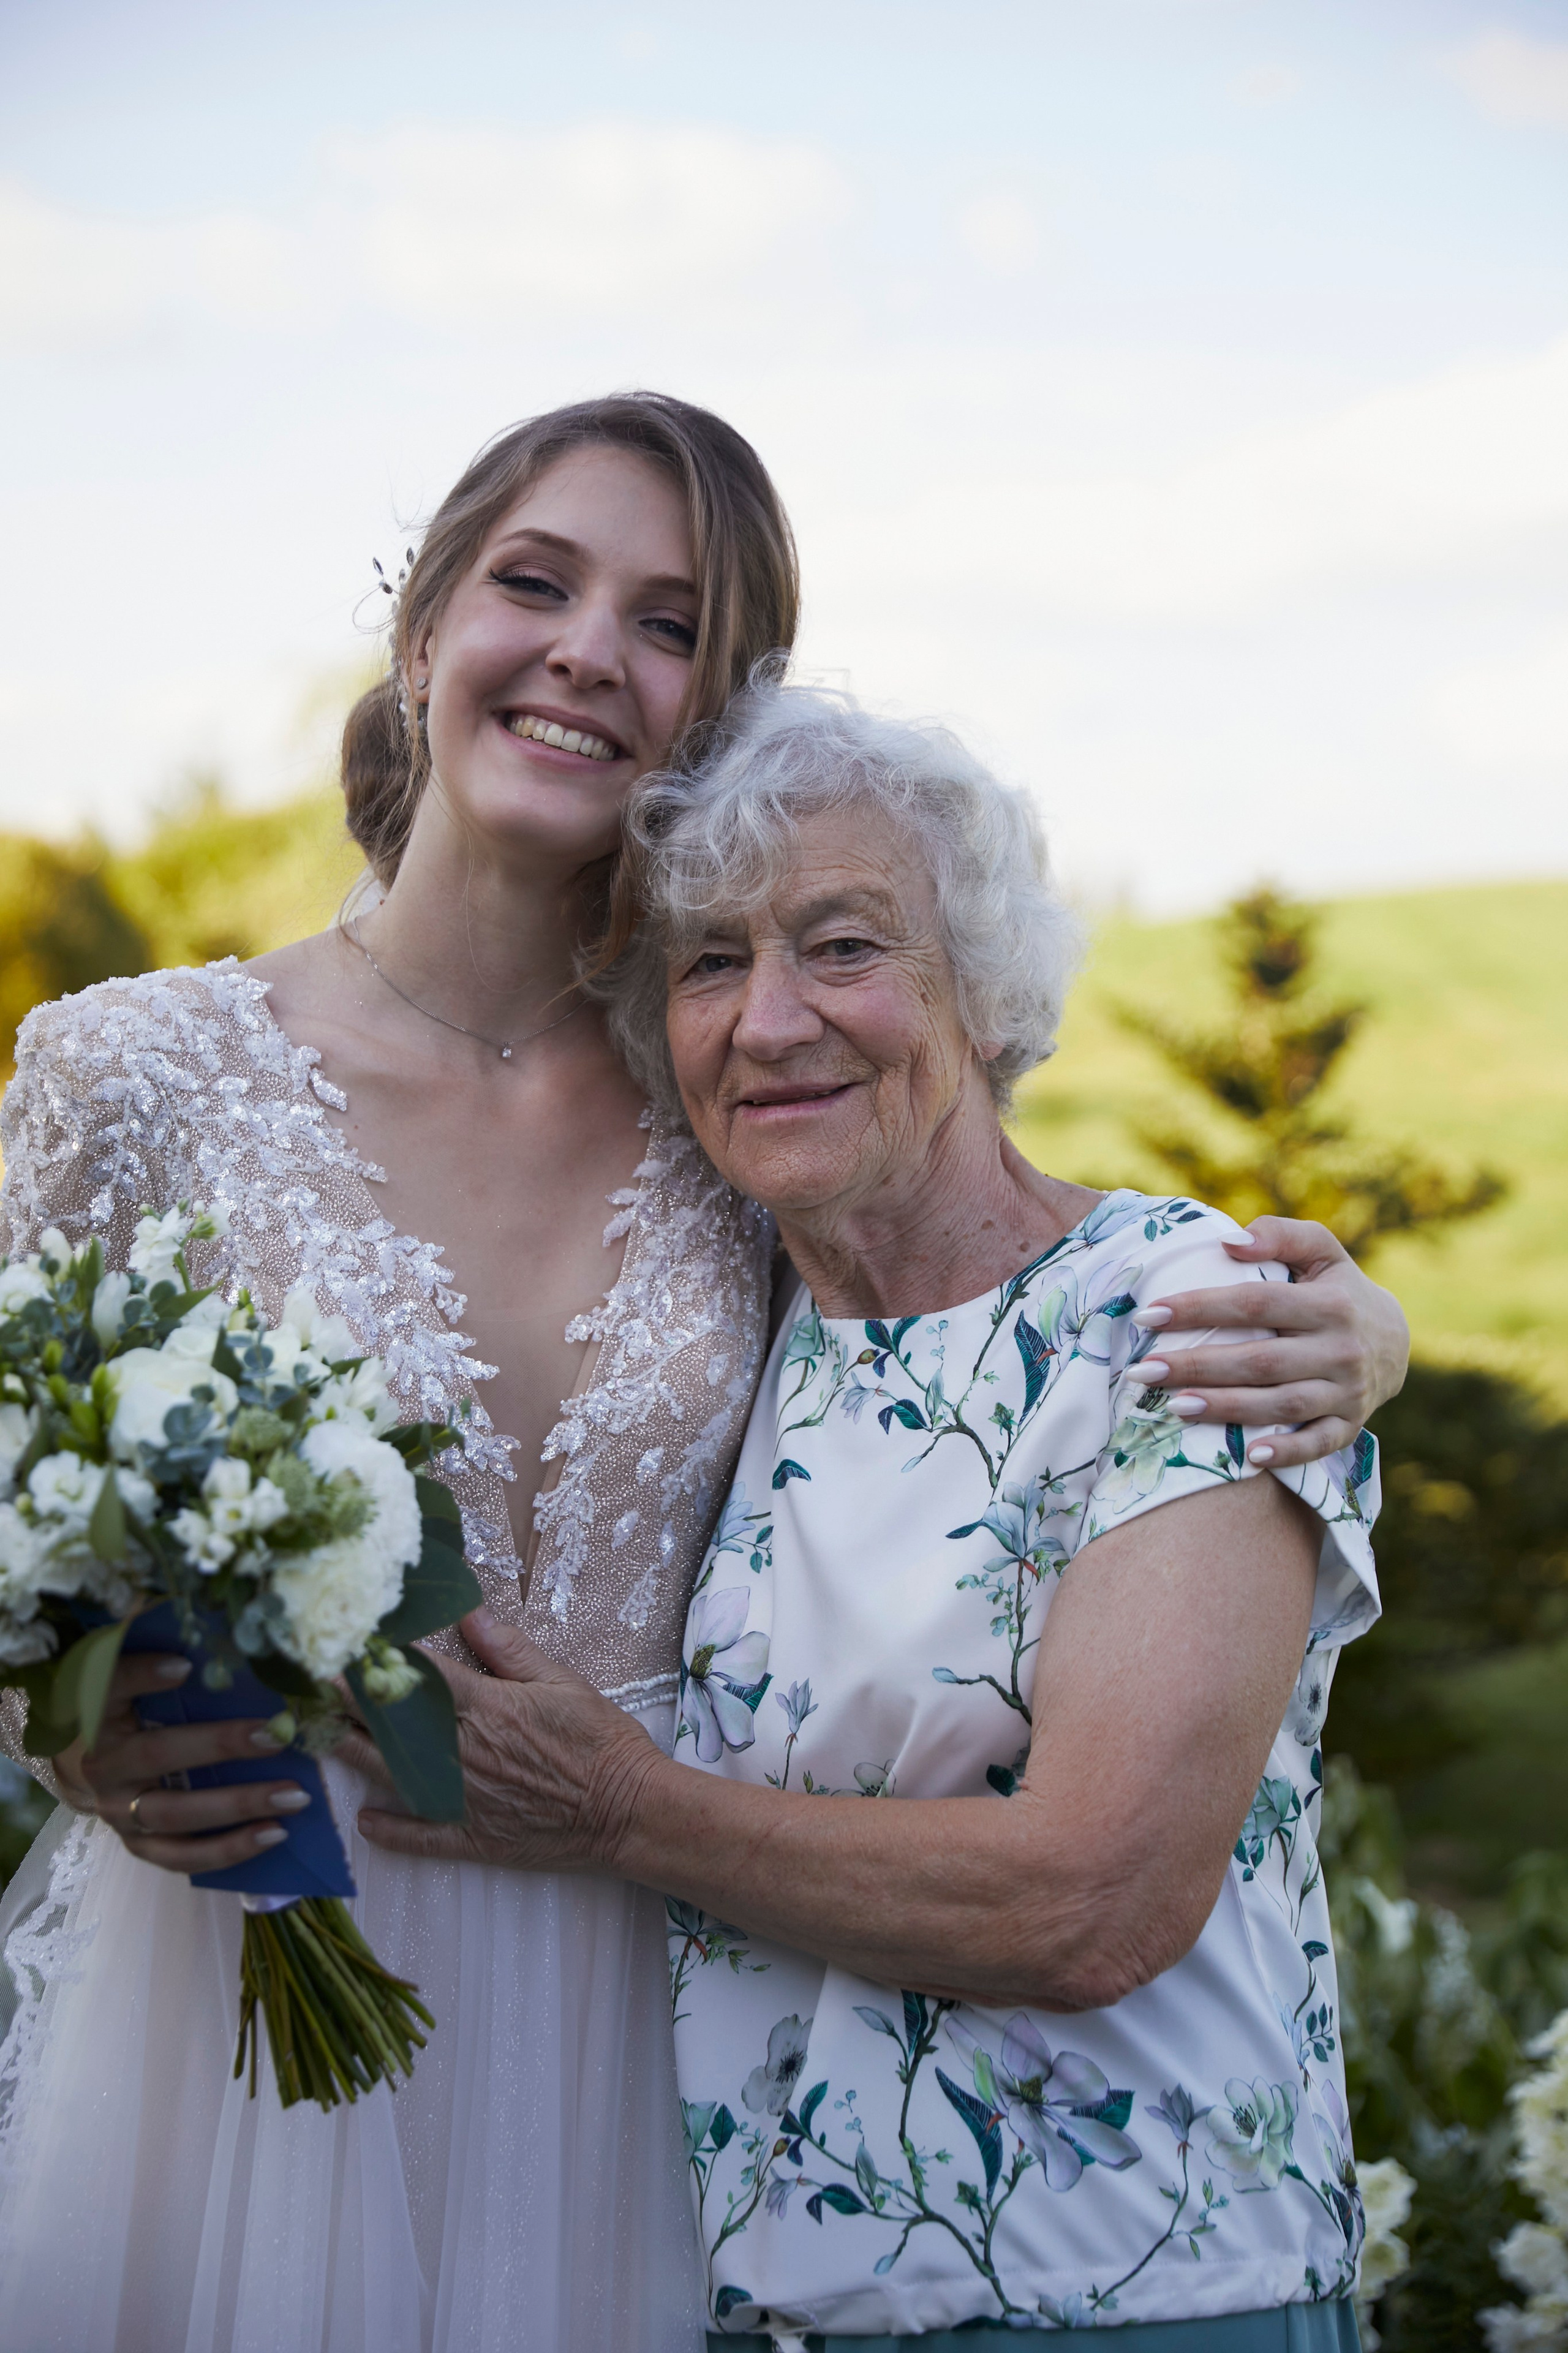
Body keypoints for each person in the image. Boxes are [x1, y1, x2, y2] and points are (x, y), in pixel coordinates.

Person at [0, 399, 1400, 2353]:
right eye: (537, 581)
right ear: (423, 632)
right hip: (260, 1960)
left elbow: (1004, 1264)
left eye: (668, 625)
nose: (588, 649)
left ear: (707, 722)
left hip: (649, 2016)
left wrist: (1351, 1327)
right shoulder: (124, 1074)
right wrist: (74, 1733)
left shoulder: (733, 1114)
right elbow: (29, 1535)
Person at [360, 682, 1383, 2349]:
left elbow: (1096, 1896)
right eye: (709, 962)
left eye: (843, 947)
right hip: (759, 2310)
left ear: (979, 991)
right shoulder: (729, 1328)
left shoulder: (1177, 1312)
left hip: (1133, 2300)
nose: (769, 1022)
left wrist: (621, 1807)